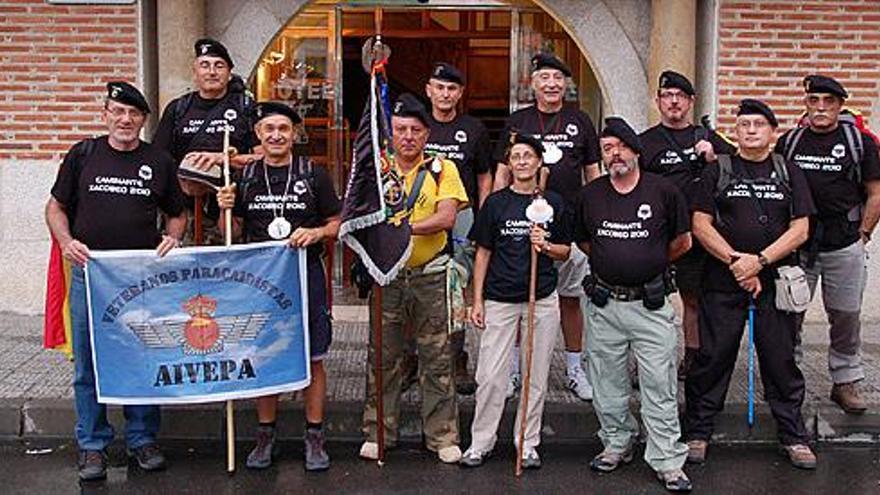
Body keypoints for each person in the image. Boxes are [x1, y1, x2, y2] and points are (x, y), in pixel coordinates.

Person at [45, 82, 186, 481]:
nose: (126, 120)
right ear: (105, 113)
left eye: (134, 114)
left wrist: (173, 237)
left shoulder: (158, 161)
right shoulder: (83, 155)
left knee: (140, 359)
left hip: (140, 280)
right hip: (91, 276)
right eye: (118, 112)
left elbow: (176, 214)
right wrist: (65, 241)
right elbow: (55, 207)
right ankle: (92, 446)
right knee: (88, 364)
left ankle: (142, 440)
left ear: (143, 120)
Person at [685, 99, 817, 469]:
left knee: (781, 360)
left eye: (760, 124)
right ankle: (697, 432)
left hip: (776, 281)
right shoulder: (718, 171)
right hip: (723, 280)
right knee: (712, 357)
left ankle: (793, 436)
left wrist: (758, 262)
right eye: (744, 124)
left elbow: (802, 228)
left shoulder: (788, 171)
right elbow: (700, 224)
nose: (752, 130)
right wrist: (735, 263)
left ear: (773, 132)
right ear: (736, 132)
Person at [216, 101, 339, 471]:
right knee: (265, 354)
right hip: (260, 282)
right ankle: (266, 434)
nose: (276, 135)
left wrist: (316, 231)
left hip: (306, 275)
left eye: (283, 129)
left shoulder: (313, 174)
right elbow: (230, 234)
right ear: (258, 134)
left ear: (294, 135)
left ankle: (314, 436)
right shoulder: (247, 177)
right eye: (269, 129)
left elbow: (337, 222)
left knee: (314, 356)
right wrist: (224, 207)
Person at [575, 117, 692, 492]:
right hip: (605, 304)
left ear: (636, 151)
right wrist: (617, 264)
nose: (615, 154)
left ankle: (667, 460)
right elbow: (585, 242)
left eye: (621, 146)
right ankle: (616, 442)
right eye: (607, 148)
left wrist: (648, 263)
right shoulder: (591, 195)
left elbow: (682, 242)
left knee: (660, 384)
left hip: (651, 305)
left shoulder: (664, 192)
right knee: (606, 382)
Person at [359, 93, 468, 464]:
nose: (408, 136)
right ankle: (378, 432)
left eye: (415, 130)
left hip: (430, 276)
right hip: (387, 275)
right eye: (401, 129)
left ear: (426, 134)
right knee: (383, 357)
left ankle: (442, 436)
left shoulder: (442, 169)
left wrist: (400, 230)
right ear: (390, 133)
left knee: (437, 356)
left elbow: (446, 218)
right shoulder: (376, 171)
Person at [493, 52, 600, 401]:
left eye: (558, 78)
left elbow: (593, 173)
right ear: (533, 84)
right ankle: (512, 372)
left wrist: (595, 220)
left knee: (571, 300)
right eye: (545, 78)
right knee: (519, 301)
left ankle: (574, 368)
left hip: (568, 226)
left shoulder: (580, 120)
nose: (552, 84)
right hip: (519, 226)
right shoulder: (518, 121)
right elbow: (502, 172)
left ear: (566, 84)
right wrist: (493, 213)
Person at [460, 132, 569, 469]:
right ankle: (481, 442)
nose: (522, 161)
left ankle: (528, 442)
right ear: (509, 162)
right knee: (491, 375)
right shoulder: (496, 203)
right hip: (500, 299)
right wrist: (476, 300)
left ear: (538, 161)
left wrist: (546, 245)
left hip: (541, 298)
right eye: (516, 156)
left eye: (528, 155)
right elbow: (483, 252)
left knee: (535, 374)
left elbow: (565, 251)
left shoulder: (553, 203)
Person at [775, 75, 880, 414]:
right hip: (797, 246)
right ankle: (787, 382)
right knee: (790, 315)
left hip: (844, 244)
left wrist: (863, 234)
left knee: (845, 316)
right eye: (814, 100)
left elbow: (876, 193)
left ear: (839, 105)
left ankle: (845, 381)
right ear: (806, 103)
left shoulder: (859, 143)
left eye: (828, 102)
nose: (820, 108)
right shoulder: (789, 142)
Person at [639, 70, 736, 379]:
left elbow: (740, 174)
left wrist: (715, 159)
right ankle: (649, 361)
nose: (674, 101)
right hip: (657, 232)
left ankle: (694, 357)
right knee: (648, 301)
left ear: (691, 101)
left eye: (680, 96)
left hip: (698, 234)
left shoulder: (708, 138)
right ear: (658, 101)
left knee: (693, 298)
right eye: (667, 96)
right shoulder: (645, 141)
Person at [152, 38, 259, 245]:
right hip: (186, 210)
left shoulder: (246, 108)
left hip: (231, 207)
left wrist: (223, 159)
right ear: (195, 73)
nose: (212, 72)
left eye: (219, 66)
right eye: (205, 65)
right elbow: (159, 159)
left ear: (229, 73)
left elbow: (263, 158)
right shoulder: (178, 109)